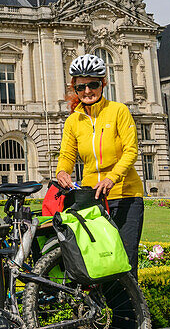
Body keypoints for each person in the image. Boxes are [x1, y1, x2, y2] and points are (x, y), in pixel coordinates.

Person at [55, 53, 144, 271]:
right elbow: (67, 155)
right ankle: (99, 306)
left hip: (125, 196)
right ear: (74, 88)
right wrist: (62, 172)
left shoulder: (118, 111)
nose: (87, 91)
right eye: (81, 87)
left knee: (125, 261)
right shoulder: (72, 121)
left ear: (103, 83)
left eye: (93, 85)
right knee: (98, 262)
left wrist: (112, 178)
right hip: (92, 198)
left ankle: (131, 307)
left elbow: (131, 151)